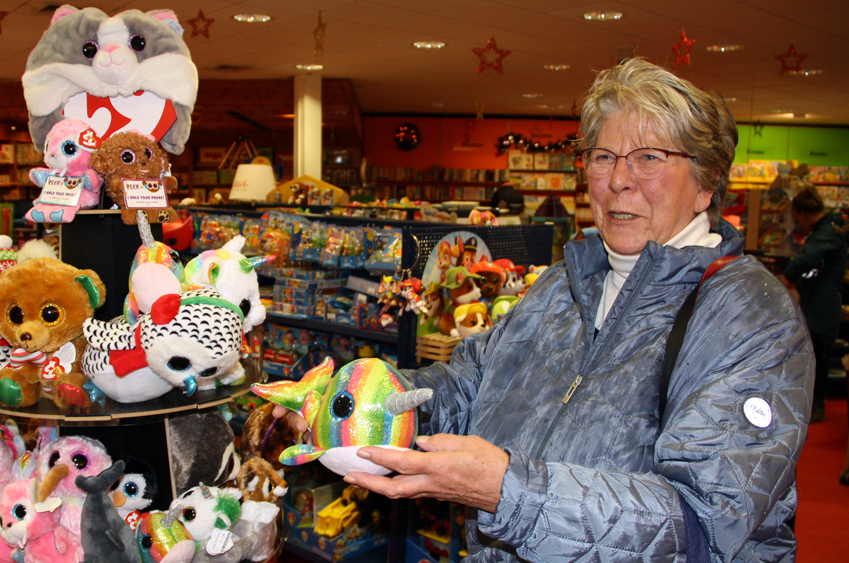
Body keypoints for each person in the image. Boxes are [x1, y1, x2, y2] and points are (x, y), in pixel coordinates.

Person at [276, 58, 813, 562]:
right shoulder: (563, 283)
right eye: (603, 156)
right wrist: (358, 403)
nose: (618, 179)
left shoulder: (748, 314)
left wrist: (511, 492)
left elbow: (707, 520)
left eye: (649, 157)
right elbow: (468, 384)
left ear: (707, 183)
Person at [784, 185, 848, 423]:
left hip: (821, 306)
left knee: (817, 357)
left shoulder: (825, 233)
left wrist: (790, 275)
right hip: (820, 302)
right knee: (816, 355)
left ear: (803, 213)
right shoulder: (830, 229)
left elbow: (806, 260)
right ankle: (813, 403)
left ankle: (816, 405)